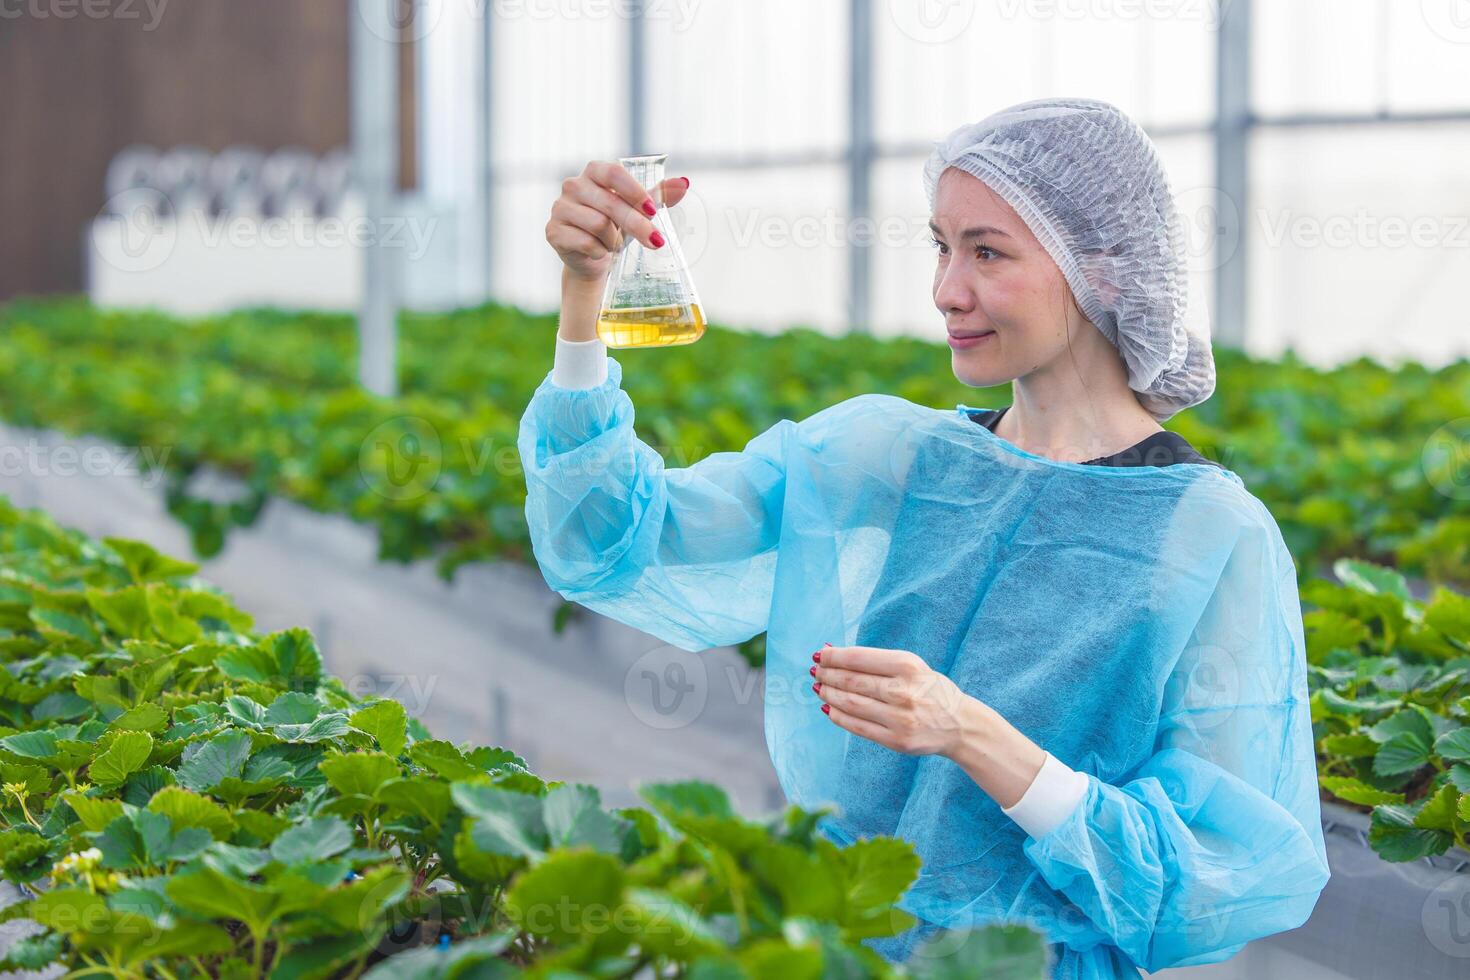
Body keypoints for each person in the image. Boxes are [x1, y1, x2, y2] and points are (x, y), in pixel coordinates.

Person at [519, 97, 1330, 979]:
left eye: (987, 252)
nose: (947, 291)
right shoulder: (894, 456)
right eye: (942, 248)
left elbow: (1209, 878)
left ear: (1103, 270)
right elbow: (613, 536)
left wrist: (969, 732)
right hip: (838, 951)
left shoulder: (1207, 532)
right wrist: (585, 292)